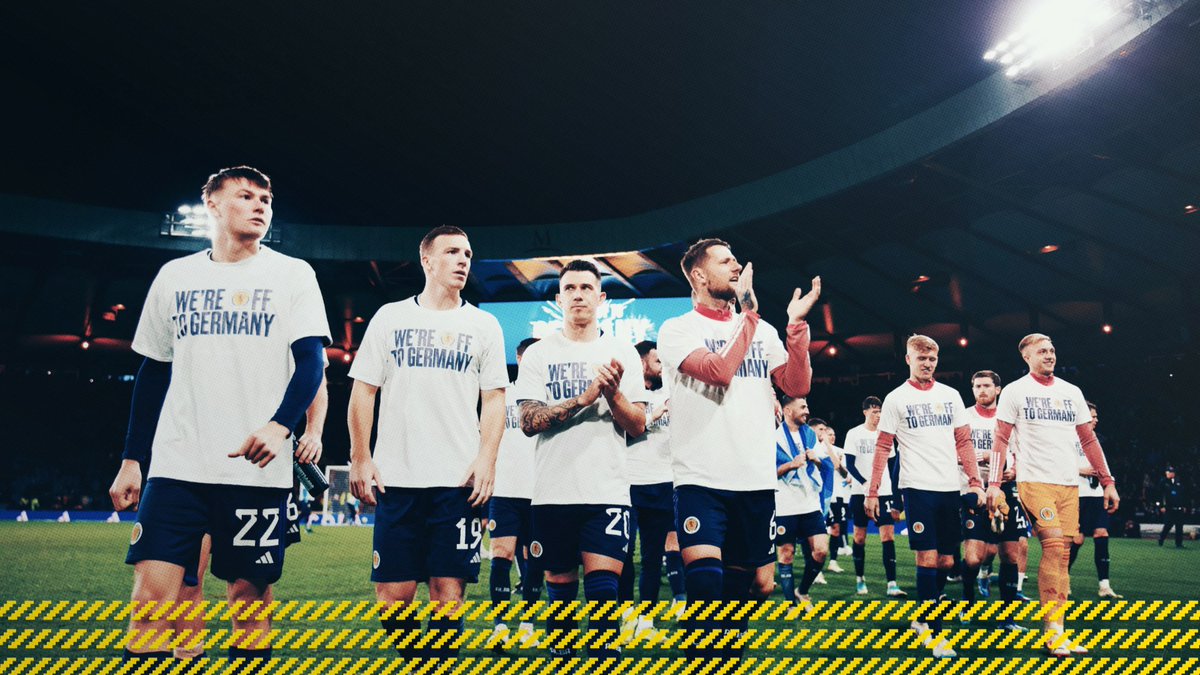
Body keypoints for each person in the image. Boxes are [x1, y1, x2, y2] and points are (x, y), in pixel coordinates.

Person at [108, 166, 331, 668]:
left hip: (255, 473)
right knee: (148, 604)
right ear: (212, 204)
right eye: (246, 196)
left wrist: (281, 425)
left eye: (266, 199)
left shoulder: (292, 274)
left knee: (248, 605)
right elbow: (153, 373)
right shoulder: (176, 276)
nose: (260, 206)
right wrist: (131, 459)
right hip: (177, 466)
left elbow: (312, 362)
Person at [347, 225, 508, 659]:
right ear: (427, 260)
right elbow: (363, 390)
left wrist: (487, 460)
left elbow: (494, 399)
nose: (462, 260)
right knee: (392, 597)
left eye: (468, 253)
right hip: (397, 478)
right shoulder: (391, 317)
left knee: (448, 595)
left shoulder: (483, 324)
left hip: (457, 482)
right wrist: (360, 457)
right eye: (452, 251)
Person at [657, 239, 817, 658]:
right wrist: (749, 314)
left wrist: (796, 331)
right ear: (698, 275)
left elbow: (796, 386)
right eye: (724, 261)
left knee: (753, 587)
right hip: (701, 478)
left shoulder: (763, 331)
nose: (736, 266)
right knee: (705, 583)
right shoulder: (678, 329)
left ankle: (722, 660)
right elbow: (717, 371)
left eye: (736, 260)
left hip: (755, 479)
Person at [516, 259, 648, 659]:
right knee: (560, 594)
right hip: (553, 491)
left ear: (601, 298)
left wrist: (613, 395)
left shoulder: (621, 350)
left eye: (586, 288)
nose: (578, 294)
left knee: (604, 592)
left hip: (606, 489)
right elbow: (528, 420)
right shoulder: (539, 354)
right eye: (570, 288)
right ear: (558, 299)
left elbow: (639, 424)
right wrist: (584, 398)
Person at [986, 333, 1119, 657]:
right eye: (1042, 351)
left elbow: (1089, 441)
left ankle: (1059, 630)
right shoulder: (1016, 392)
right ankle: (1051, 634)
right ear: (1026, 357)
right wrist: (992, 484)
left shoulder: (1071, 392)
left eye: (1052, 350)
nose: (1049, 355)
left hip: (1068, 485)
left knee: (1063, 553)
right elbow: (1001, 439)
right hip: (1035, 482)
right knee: (1055, 544)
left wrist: (1107, 480)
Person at [866, 335, 984, 659]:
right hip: (917, 488)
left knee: (947, 561)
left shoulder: (951, 396)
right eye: (921, 359)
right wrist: (873, 490)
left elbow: (964, 443)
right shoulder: (896, 399)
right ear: (908, 360)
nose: (928, 364)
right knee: (928, 559)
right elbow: (883, 447)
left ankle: (922, 615)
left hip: (950, 489)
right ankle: (934, 633)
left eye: (932, 359)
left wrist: (975, 482)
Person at [620, 340, 685, 636]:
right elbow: (621, 432)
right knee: (623, 555)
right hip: (629, 481)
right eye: (657, 361)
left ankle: (646, 619)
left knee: (650, 557)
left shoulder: (670, 392)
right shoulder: (626, 395)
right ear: (643, 362)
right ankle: (626, 614)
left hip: (662, 483)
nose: (662, 366)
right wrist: (651, 417)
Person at [958, 370, 1031, 630]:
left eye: (986, 386)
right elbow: (952, 452)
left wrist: (1016, 470)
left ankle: (1008, 618)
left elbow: (1021, 452)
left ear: (998, 389)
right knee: (974, 558)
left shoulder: (1008, 419)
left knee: (1010, 555)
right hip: (974, 492)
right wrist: (981, 458)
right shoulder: (963, 417)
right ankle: (967, 602)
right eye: (977, 386)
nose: (981, 391)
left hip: (1006, 491)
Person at [488, 337, 541, 649]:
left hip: (539, 492)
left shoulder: (549, 398)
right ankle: (500, 626)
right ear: (520, 359)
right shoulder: (502, 394)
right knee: (501, 557)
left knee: (534, 559)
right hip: (504, 489)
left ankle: (528, 625)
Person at [843, 397, 905, 597]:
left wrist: (896, 496)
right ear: (865, 412)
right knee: (860, 538)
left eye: (880, 412)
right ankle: (860, 579)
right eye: (874, 411)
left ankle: (892, 583)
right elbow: (850, 464)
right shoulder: (854, 434)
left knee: (887, 537)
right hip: (860, 493)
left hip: (884, 491)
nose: (878, 415)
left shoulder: (886, 435)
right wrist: (864, 483)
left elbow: (893, 467)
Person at [774, 400, 831, 607]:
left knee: (821, 550)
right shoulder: (774, 437)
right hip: (785, 502)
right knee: (786, 554)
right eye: (803, 408)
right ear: (788, 410)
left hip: (810, 501)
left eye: (807, 407)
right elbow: (767, 472)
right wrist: (790, 465)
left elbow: (826, 463)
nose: (807, 411)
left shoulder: (810, 435)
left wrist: (816, 459)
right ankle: (790, 603)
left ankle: (802, 590)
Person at [1069, 402, 1122, 598]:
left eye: (1096, 416)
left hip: (1097, 494)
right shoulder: (1068, 438)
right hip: (1077, 493)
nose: (1096, 419)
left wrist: (1110, 485)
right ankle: (1064, 579)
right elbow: (1058, 464)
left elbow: (1104, 466)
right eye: (1092, 416)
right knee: (1078, 538)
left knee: (1101, 533)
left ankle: (1104, 586)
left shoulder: (1095, 441)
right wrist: (1081, 470)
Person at [816, 422, 851, 575]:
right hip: (822, 495)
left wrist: (839, 464)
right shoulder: (817, 450)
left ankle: (833, 562)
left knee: (837, 529)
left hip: (838, 496)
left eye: (833, 435)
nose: (831, 437)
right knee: (819, 532)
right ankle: (816, 569)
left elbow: (844, 473)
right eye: (828, 433)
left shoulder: (840, 451)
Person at [1158, 467, 1186, 548]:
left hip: (1178, 508)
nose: (1171, 473)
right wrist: (1162, 506)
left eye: (1172, 472)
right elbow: (1160, 494)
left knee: (1179, 527)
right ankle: (1161, 539)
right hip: (1169, 508)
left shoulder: (1178, 482)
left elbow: (1182, 495)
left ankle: (1179, 543)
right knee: (1167, 526)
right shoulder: (1163, 482)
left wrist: (1184, 505)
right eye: (1169, 472)